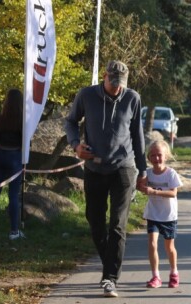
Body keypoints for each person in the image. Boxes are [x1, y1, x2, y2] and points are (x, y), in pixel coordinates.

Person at [65, 60, 147, 298]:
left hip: (124, 167)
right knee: (94, 218)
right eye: (113, 83)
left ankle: (110, 278)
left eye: (120, 84)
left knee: (118, 224)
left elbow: (138, 135)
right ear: (104, 76)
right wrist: (75, 146)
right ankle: (109, 261)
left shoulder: (132, 98)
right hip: (94, 166)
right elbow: (70, 121)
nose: (116, 88)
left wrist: (143, 171)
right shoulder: (86, 95)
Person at [139, 140, 183, 289]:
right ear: (149, 157)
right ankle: (155, 276)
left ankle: (174, 272)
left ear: (166, 156)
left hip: (169, 216)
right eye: (153, 155)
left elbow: (173, 193)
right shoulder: (148, 173)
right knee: (152, 244)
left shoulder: (171, 174)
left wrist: (154, 191)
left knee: (169, 247)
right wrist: (140, 185)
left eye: (159, 155)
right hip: (153, 214)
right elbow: (140, 186)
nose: (156, 158)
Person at [0, 89, 24, 240]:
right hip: (15, 158)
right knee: (14, 195)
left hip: (0, 157)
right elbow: (27, 143)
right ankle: (14, 231)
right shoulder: (22, 121)